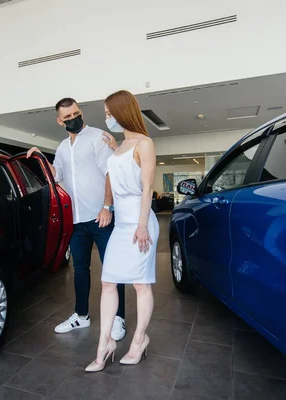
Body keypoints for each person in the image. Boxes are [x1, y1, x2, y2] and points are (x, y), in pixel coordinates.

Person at [26, 98, 127, 341]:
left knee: (112, 270)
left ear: (80, 112)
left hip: (101, 218)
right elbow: (56, 175)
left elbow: (109, 173)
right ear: (60, 121)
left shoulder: (98, 137)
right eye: (68, 117)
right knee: (80, 270)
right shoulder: (62, 148)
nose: (74, 119)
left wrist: (107, 207)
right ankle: (81, 316)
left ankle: (118, 317)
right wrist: (40, 156)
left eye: (76, 113)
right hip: (76, 221)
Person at [85, 90, 159, 372]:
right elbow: (116, 176)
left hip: (140, 222)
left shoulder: (145, 143)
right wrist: (118, 146)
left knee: (140, 284)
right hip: (120, 223)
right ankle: (105, 344)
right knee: (108, 282)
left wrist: (142, 226)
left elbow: (147, 187)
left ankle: (139, 340)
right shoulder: (120, 146)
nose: (107, 118)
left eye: (109, 113)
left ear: (122, 111)